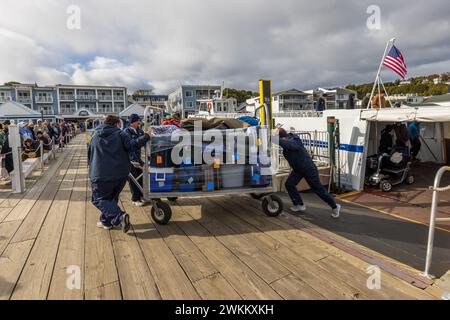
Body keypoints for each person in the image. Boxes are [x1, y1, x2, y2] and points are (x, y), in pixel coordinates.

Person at [88, 115, 152, 232]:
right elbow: (132, 145)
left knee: (98, 199)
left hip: (100, 173)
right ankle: (106, 222)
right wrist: (146, 136)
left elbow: (90, 153)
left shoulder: (95, 135)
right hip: (120, 174)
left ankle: (119, 217)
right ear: (117, 123)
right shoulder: (120, 134)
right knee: (111, 199)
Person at [276, 128, 341, 218]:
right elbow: (286, 145)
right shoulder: (286, 142)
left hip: (309, 169)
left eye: (280, 139)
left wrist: (275, 139)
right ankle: (299, 204)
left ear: (283, 138)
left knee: (318, 190)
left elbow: (290, 145)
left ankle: (335, 206)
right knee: (289, 184)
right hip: (298, 169)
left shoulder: (295, 140)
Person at [123, 114, 146, 207]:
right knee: (133, 178)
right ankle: (135, 199)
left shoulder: (140, 131)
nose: (139, 123)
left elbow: (144, 140)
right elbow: (128, 147)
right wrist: (133, 160)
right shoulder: (126, 132)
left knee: (142, 176)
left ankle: (142, 195)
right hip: (130, 160)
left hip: (138, 158)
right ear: (132, 122)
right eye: (137, 121)